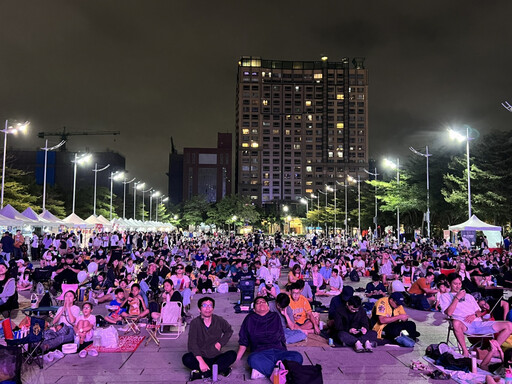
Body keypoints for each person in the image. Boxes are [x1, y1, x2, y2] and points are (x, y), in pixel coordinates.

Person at [439, 273, 512, 357]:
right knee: (455, 322)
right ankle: (465, 352)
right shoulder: (445, 296)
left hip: (478, 323)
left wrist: (475, 316)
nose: (458, 286)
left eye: (459, 284)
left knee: (509, 325)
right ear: (449, 283)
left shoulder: (469, 296)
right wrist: (457, 297)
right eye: (455, 284)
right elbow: (449, 313)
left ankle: (491, 350)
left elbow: (478, 311)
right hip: (464, 324)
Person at [236, 296, 303, 379]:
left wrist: (284, 352)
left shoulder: (275, 316)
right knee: (252, 359)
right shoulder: (249, 319)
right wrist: (237, 358)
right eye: (258, 302)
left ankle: (265, 371)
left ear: (268, 307)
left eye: (263, 301)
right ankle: (281, 373)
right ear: (254, 309)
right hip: (260, 352)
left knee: (297, 356)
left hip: (278, 351)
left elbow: (282, 336)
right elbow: (243, 341)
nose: (261, 303)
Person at [182, 297, 236, 381]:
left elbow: (229, 331)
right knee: (186, 358)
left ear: (213, 308)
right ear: (200, 309)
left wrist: (220, 343)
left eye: (210, 305)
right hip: (200, 356)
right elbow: (192, 344)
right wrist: (201, 362)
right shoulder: (195, 323)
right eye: (204, 305)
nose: (208, 308)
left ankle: (202, 374)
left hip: (216, 356)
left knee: (232, 354)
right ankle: (220, 369)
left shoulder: (219, 320)